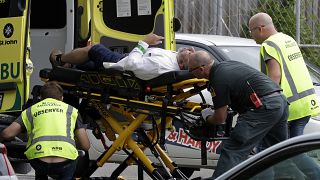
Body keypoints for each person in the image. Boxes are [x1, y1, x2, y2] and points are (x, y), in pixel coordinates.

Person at [188, 50, 289, 178]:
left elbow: (220, 118)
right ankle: (310, 175)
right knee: (282, 151)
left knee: (233, 150)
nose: (192, 74)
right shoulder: (228, 65)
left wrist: (207, 117)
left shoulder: (218, 79)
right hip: (279, 101)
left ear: (201, 69)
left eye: (191, 70)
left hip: (263, 107)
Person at [249, 12, 320, 138]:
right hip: (305, 104)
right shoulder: (287, 39)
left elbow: (275, 76)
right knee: (294, 150)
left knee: (282, 152)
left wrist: (266, 103)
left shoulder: (269, 45)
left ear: (260, 29)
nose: (251, 35)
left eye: (251, 31)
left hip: (289, 107)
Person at [0, 81, 90, 180]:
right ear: (62, 98)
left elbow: (6, 134)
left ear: (41, 98)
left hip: (39, 161)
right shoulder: (72, 111)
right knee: (70, 166)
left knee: (39, 164)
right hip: (65, 162)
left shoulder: (31, 110)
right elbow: (85, 145)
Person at [49, 33, 193, 80]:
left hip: (121, 65)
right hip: (125, 58)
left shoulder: (162, 65)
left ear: (183, 64)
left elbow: (131, 65)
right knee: (90, 66)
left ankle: (59, 59)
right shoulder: (176, 59)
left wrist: (144, 43)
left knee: (95, 49)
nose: (190, 49)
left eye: (191, 53)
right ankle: (69, 66)